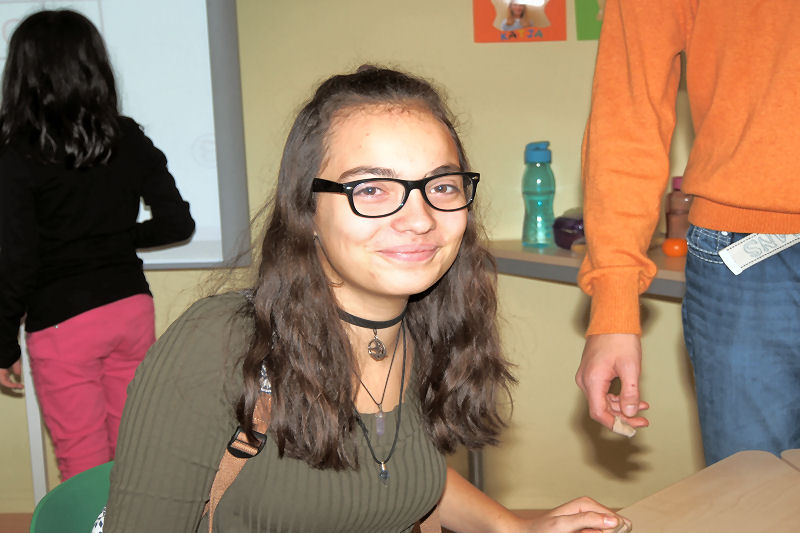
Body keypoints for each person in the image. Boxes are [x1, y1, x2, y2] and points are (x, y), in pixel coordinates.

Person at [104, 66, 626, 532]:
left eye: (441, 186)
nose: (420, 219)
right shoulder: (219, 342)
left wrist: (511, 527)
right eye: (372, 189)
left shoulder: (429, 328)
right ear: (307, 210)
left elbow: (390, 470)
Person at [575, 0, 800, 465]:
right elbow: (630, 110)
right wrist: (614, 304)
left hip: (745, 264)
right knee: (752, 494)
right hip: (749, 261)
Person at [0, 9, 195, 480]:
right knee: (134, 453)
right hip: (129, 310)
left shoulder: (15, 152)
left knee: (84, 466)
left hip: (64, 323)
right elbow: (177, 223)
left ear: (22, 75)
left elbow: (18, 258)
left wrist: (3, 342)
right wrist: (117, 238)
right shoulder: (127, 137)